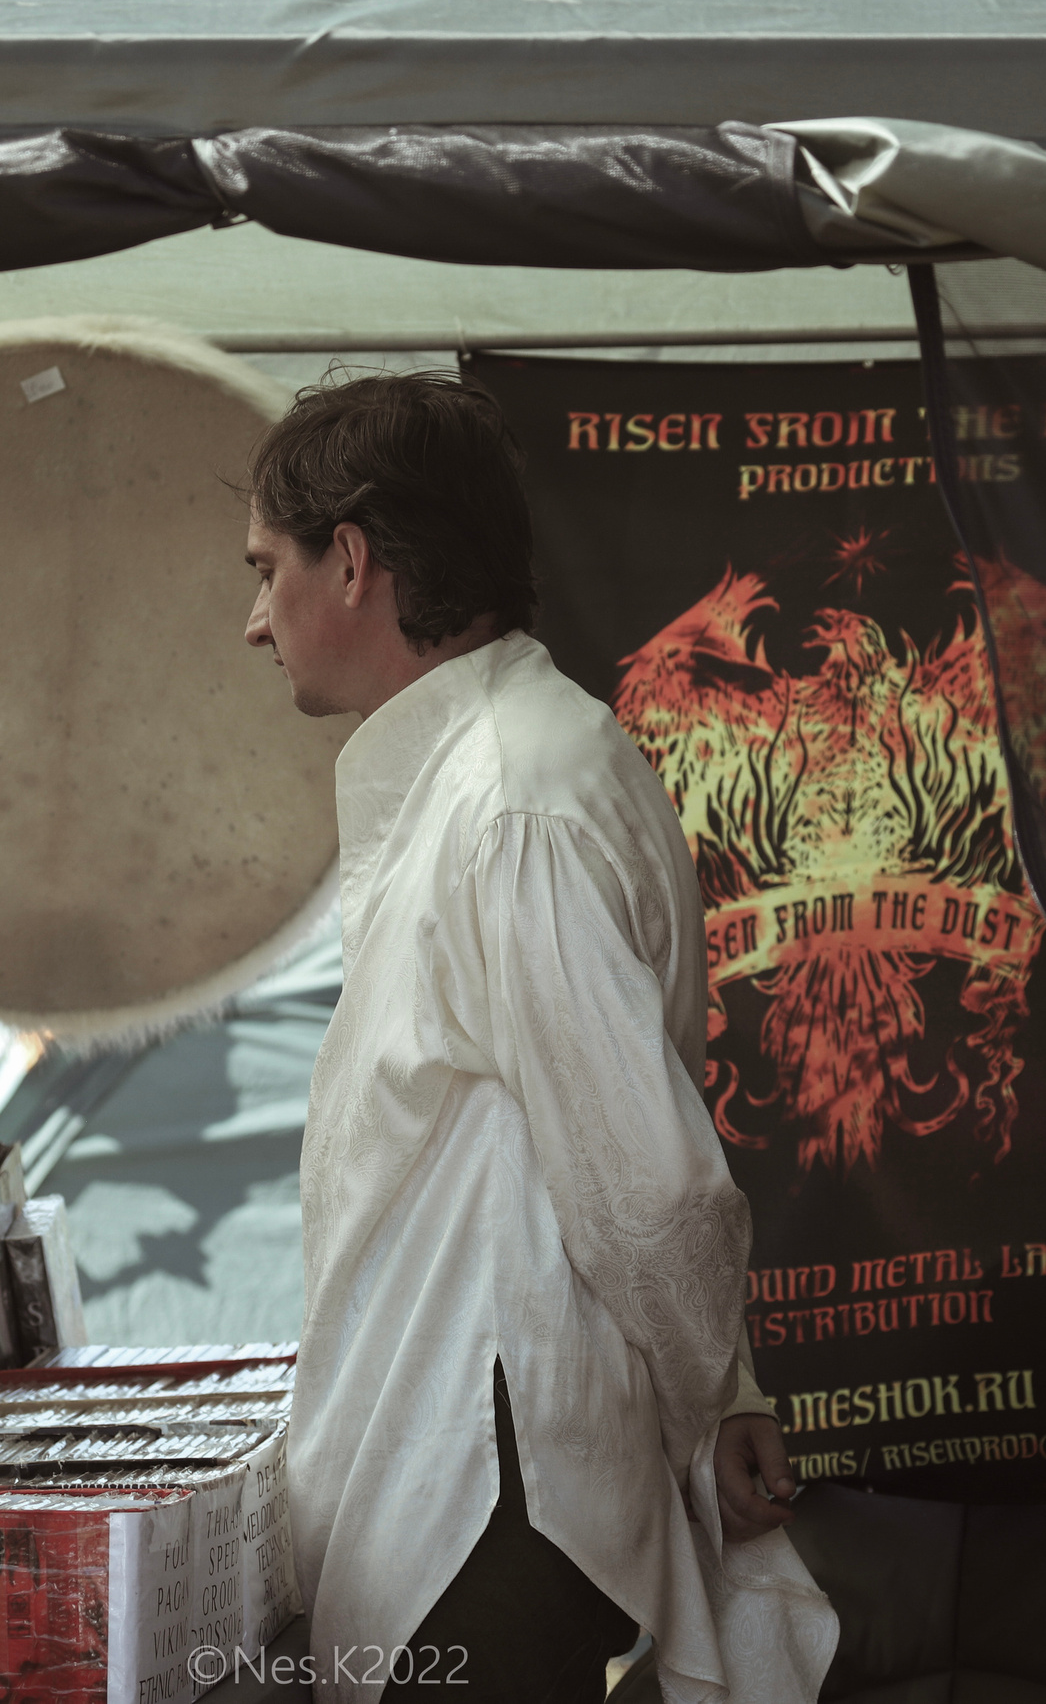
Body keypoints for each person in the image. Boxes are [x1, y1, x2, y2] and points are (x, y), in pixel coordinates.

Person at [242, 374, 830, 1704]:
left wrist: (710, 1394)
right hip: (459, 1474)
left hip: (481, 1490)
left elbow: (652, 1181)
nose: (252, 618)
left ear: (354, 560)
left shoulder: (512, 798)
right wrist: (718, 1385)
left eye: (266, 567)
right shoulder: (498, 773)